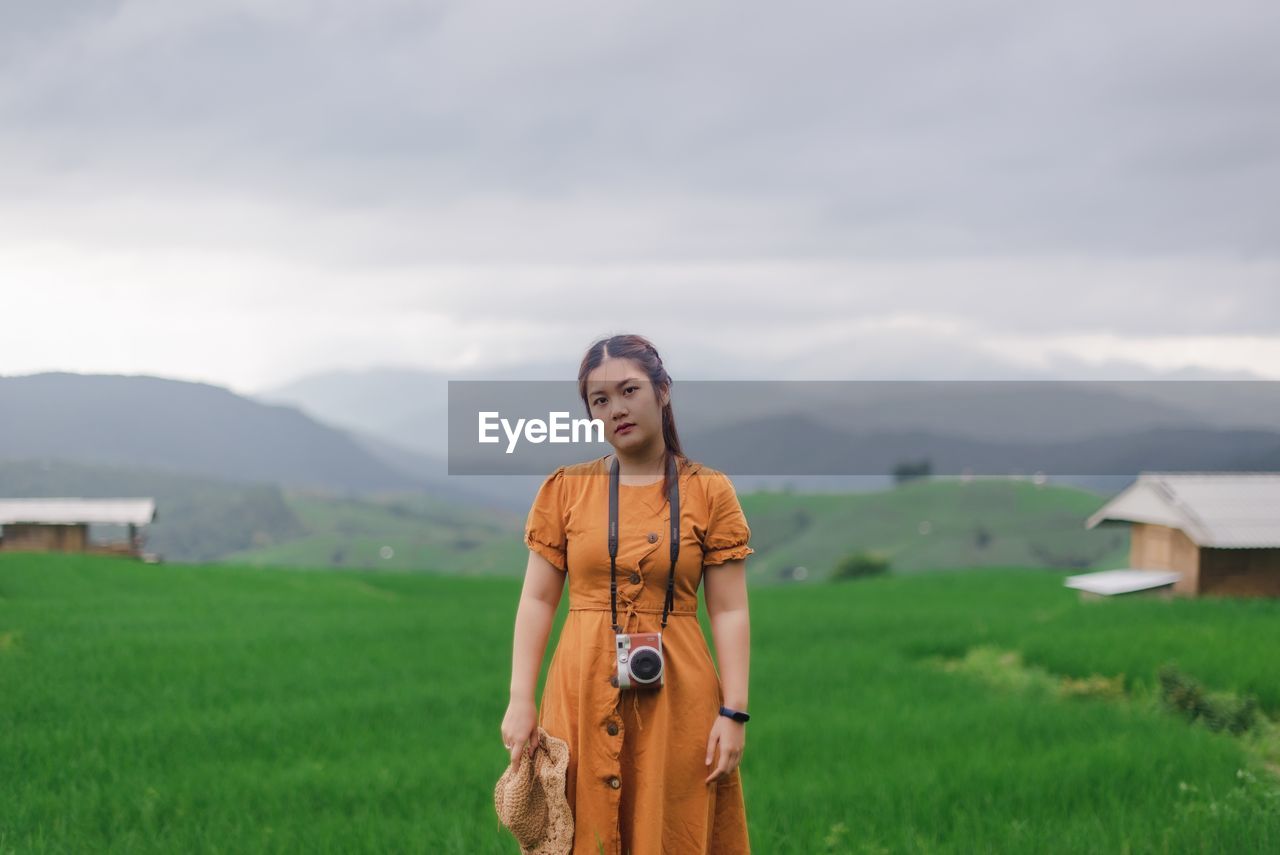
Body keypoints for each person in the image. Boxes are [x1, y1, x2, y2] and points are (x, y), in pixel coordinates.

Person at [501, 333, 754, 854]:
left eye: (629, 390)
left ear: (663, 391)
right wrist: (520, 700)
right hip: (579, 686)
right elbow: (538, 600)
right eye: (600, 399)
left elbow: (729, 610)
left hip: (680, 698)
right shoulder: (565, 489)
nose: (617, 408)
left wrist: (734, 713)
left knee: (672, 827)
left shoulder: (711, 490)